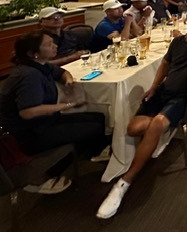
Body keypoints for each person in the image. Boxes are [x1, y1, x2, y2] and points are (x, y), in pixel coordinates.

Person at [97, 9, 187, 219]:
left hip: (182, 97)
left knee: (157, 124)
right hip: (164, 92)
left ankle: (125, 181)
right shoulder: (177, 43)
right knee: (133, 128)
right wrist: (154, 87)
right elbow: (165, 64)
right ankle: (157, 134)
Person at [0, 30, 107, 194]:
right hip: (31, 133)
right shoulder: (29, 75)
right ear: (33, 53)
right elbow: (28, 112)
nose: (55, 46)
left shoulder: (41, 65)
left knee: (99, 118)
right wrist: (67, 105)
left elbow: (62, 72)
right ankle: (44, 175)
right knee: (94, 126)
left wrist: (68, 81)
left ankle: (91, 153)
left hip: (46, 121)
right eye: (48, 44)